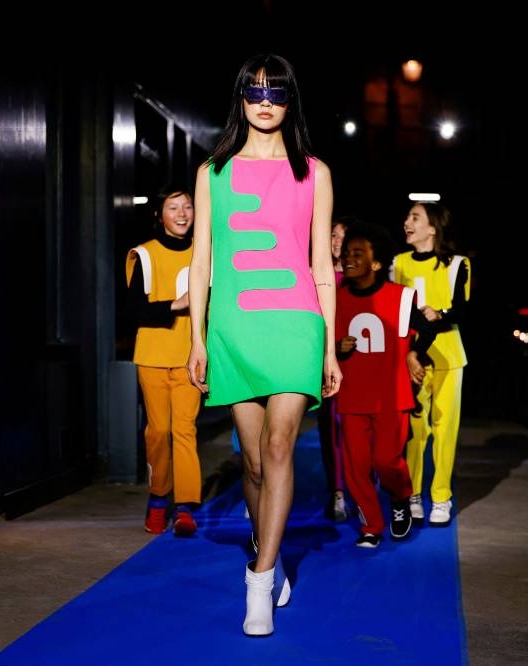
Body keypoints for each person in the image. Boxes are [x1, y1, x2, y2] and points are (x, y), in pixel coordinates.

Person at [185, 53, 341, 638]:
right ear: (240, 100)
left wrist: (327, 348)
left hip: (296, 324)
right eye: (255, 92)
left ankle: (260, 575)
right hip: (234, 328)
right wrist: (198, 339)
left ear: (291, 99)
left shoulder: (315, 172)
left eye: (277, 91)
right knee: (251, 463)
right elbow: (201, 262)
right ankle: (264, 542)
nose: (266, 101)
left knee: (279, 448)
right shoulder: (212, 173)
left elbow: (321, 266)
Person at [334, 221, 441, 547]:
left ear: (377, 263)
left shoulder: (400, 298)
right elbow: (322, 338)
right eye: (346, 253)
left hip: (390, 397)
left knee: (386, 461)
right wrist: (336, 347)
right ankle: (371, 526)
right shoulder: (335, 299)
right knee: (356, 469)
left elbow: (430, 329)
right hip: (352, 397)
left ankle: (400, 496)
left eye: (357, 253)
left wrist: (413, 352)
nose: (348, 259)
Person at [125, 185, 202, 537]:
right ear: (160, 215)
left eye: (187, 206)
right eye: (174, 207)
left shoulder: (205, 254)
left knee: (185, 430)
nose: (183, 213)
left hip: (191, 356)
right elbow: (134, 311)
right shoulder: (144, 255)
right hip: (153, 355)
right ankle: (158, 499)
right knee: (158, 431)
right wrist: (176, 303)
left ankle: (184, 506)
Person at [391, 201, 470, 527]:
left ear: (433, 227)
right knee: (414, 432)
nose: (407, 222)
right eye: (407, 216)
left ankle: (441, 497)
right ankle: (413, 496)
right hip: (410, 359)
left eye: (415, 217)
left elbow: (463, 308)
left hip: (448, 357)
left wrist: (441, 315)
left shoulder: (457, 264)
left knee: (444, 429)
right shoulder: (398, 263)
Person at [318, 215, 354, 522]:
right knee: (330, 433)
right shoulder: (317, 275)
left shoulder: (360, 280)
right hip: (327, 363)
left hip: (359, 365)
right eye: (333, 235)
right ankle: (337, 492)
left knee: (357, 432)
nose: (337, 241)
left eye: (344, 236)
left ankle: (363, 487)